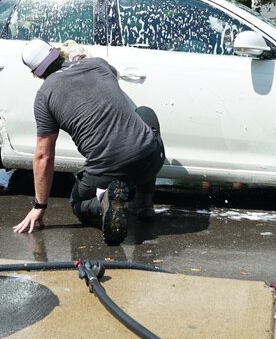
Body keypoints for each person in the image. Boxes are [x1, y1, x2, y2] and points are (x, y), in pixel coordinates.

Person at [12, 39, 165, 245]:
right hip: (151, 158)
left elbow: (43, 156)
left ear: (36, 73)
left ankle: (104, 202)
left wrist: (39, 206)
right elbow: (113, 80)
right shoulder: (98, 64)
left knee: (78, 202)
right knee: (146, 113)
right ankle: (144, 202)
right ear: (57, 53)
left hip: (106, 170)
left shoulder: (44, 96)